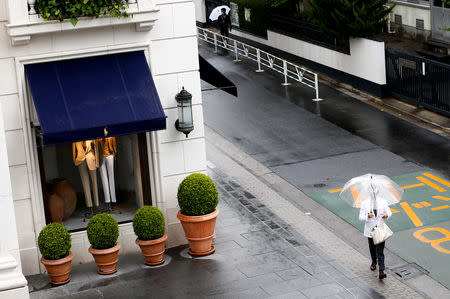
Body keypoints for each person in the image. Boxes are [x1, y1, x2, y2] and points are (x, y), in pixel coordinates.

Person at [359, 185, 392, 280]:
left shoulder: (383, 202)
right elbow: (360, 217)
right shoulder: (365, 203)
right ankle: (374, 261)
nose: (373, 192)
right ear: (369, 192)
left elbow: (389, 212)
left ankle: (381, 270)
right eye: (372, 191)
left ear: (377, 191)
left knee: (380, 251)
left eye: (375, 190)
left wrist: (386, 215)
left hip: (380, 229)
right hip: (370, 230)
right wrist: (367, 216)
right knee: (372, 248)